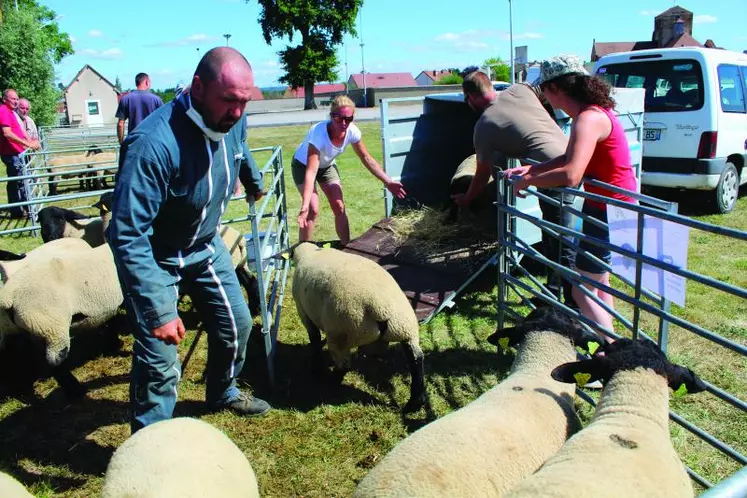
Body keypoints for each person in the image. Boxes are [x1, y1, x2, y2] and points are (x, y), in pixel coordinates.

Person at [107, 47, 271, 433]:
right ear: (198, 87)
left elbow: (239, 144)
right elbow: (127, 233)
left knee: (238, 324)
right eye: (228, 101)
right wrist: (159, 311)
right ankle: (150, 442)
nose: (237, 112)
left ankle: (222, 390)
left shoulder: (233, 119)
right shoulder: (152, 144)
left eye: (244, 102)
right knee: (160, 360)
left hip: (205, 245)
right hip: (157, 255)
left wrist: (253, 179)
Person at [503, 54, 638, 340]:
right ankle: (606, 344)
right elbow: (568, 157)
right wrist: (535, 167)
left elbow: (572, 174)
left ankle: (614, 348)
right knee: (599, 284)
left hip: (610, 209)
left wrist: (528, 180)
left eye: (544, 91)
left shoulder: (587, 119)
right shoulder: (592, 114)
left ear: (556, 88)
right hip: (609, 205)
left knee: (580, 289)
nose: (544, 98)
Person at [454, 70, 577, 308]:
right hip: (570, 157)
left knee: (562, 241)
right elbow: (545, 91)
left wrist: (467, 199)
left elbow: (481, 176)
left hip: (555, 175)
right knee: (553, 234)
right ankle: (552, 296)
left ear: (470, 96)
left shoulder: (484, 125)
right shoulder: (521, 89)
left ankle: (573, 306)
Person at [294, 95, 406, 245]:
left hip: (326, 166)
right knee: (313, 209)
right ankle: (303, 250)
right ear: (331, 116)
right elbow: (311, 171)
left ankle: (346, 246)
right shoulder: (319, 133)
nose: (343, 123)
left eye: (348, 118)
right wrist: (304, 205)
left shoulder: (352, 132)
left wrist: (388, 182)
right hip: (303, 166)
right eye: (338, 118)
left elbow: (367, 159)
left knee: (339, 205)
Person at [0, 89, 40, 219]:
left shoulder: (10, 112)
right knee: (21, 181)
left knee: (18, 181)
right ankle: (27, 210)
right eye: (13, 99)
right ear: (4, 99)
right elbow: (7, 133)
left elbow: (20, 130)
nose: (16, 101)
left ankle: (20, 210)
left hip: (17, 152)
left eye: (17, 99)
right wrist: (28, 144)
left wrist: (30, 142)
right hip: (11, 153)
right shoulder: (3, 110)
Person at [115, 72, 164, 144]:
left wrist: (121, 141)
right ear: (146, 82)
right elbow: (163, 122)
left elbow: (120, 124)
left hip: (133, 142)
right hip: (151, 142)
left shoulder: (125, 99)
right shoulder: (156, 99)